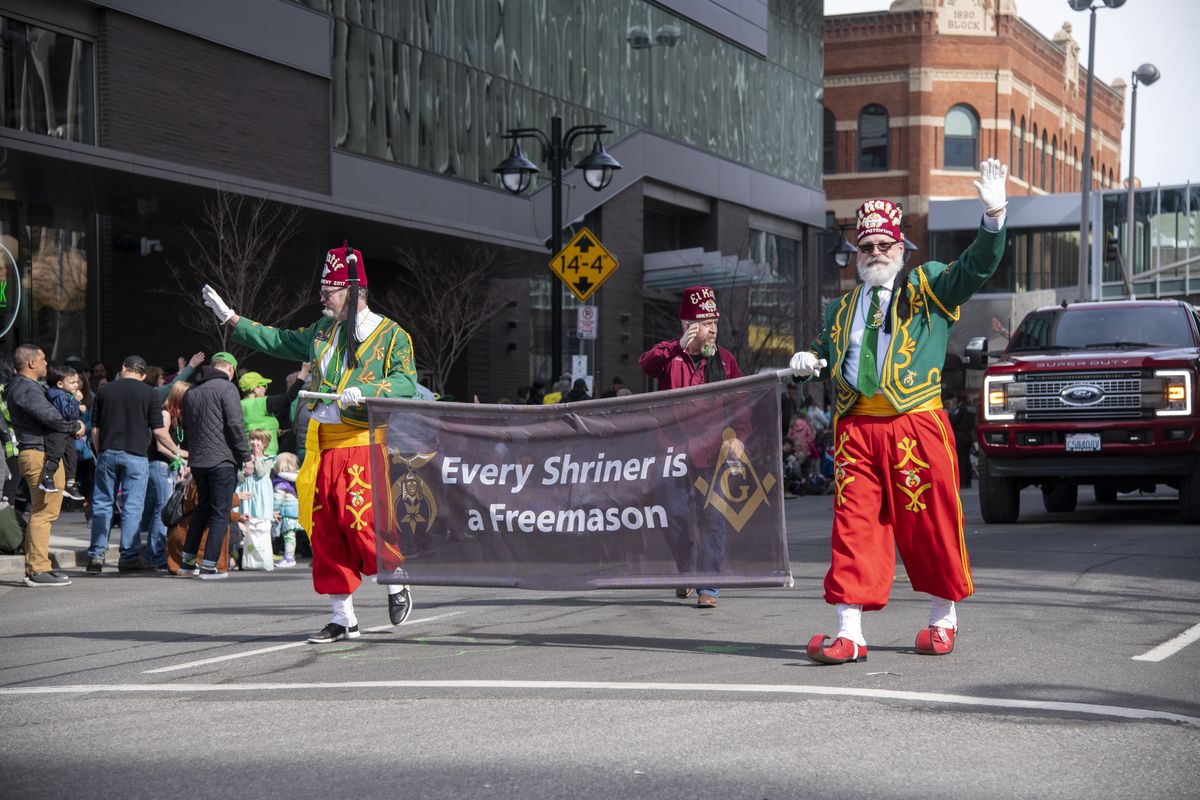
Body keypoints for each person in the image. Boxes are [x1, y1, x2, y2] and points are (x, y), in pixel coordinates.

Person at [789, 158, 1009, 664]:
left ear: (899, 246)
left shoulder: (928, 286)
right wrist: (807, 363)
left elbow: (974, 267)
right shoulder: (841, 309)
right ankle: (849, 631)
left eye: (883, 245)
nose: (874, 254)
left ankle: (942, 618)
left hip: (915, 422)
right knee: (853, 525)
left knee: (929, 522)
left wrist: (993, 217)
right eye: (865, 248)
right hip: (856, 428)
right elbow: (826, 358)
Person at [202, 243, 418, 641]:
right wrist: (232, 318)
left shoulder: (392, 336)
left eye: (330, 291)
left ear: (353, 293)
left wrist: (366, 389)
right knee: (324, 530)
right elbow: (279, 340)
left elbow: (406, 382)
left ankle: (395, 579)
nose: (322, 298)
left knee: (363, 523)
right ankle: (342, 617)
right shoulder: (322, 330)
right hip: (323, 443)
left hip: (362, 440)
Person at [639, 284, 743, 609]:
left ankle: (709, 586)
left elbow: (741, 405)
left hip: (712, 452)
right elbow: (646, 364)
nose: (713, 330)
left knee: (713, 518)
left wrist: (739, 438)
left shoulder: (725, 362)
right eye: (706, 323)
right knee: (675, 517)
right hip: (672, 453)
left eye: (715, 322)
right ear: (689, 326)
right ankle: (686, 571)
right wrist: (675, 346)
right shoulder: (671, 358)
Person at [86, 355, 177, 573]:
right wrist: (177, 450)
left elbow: (95, 429)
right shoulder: (150, 394)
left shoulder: (105, 391)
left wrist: (101, 453)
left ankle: (97, 555)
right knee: (132, 507)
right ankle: (128, 557)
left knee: (102, 505)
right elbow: (158, 431)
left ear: (123, 368)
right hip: (136, 456)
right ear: (144, 375)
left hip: (107, 452)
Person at [6, 344, 86, 586]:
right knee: (43, 513)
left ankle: (37, 567)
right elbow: (50, 416)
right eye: (42, 360)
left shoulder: (29, 387)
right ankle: (38, 569)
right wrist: (74, 427)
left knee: (44, 512)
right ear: (31, 363)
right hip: (38, 453)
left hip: (41, 452)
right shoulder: (25, 388)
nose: (46, 364)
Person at [179, 352, 251, 579]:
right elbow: (235, 424)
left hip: (198, 460)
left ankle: (187, 562)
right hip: (221, 459)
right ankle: (209, 566)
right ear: (230, 369)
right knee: (221, 512)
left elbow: (187, 427)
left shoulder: (191, 391)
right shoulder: (226, 388)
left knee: (202, 508)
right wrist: (245, 455)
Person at [141, 380, 191, 571]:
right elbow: (161, 445)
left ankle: (156, 554)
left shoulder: (178, 417)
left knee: (161, 508)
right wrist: (183, 455)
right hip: (159, 465)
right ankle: (155, 556)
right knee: (162, 510)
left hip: (167, 467)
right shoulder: (165, 414)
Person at [40, 365, 87, 502]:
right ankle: (47, 478)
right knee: (55, 454)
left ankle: (70, 484)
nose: (76, 385)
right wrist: (77, 402)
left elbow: (71, 413)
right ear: (60, 384)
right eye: (72, 382)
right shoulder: (58, 395)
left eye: (77, 382)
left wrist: (77, 406)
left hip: (68, 432)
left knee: (72, 457)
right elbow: (67, 413)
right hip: (57, 432)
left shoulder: (66, 395)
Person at [234, 429, 275, 570]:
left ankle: (259, 557)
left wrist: (256, 458)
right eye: (252, 439)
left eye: (258, 440)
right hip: (246, 493)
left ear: (264, 444)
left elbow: (261, 472)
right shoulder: (245, 458)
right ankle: (241, 555)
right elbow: (239, 477)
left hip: (260, 497)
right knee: (246, 524)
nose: (254, 442)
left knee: (260, 525)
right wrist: (246, 469)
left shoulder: (268, 458)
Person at [272, 451, 302, 568]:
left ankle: (289, 558)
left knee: (288, 535)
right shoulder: (297, 478)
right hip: (296, 511)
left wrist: (274, 510)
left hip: (287, 512)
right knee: (292, 535)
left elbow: (278, 498)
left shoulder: (281, 482)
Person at [949, 392, 977, 489]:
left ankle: (962, 481)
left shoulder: (960, 409)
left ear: (959, 399)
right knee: (967, 458)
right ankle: (968, 481)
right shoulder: (972, 408)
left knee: (961, 459)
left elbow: (953, 420)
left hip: (960, 436)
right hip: (969, 435)